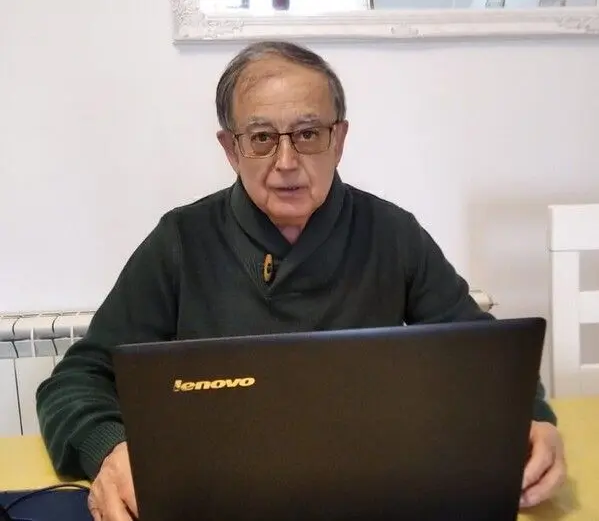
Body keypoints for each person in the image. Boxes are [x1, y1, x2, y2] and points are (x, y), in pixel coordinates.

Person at [36, 41, 566, 521]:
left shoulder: (393, 234)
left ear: (340, 140)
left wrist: (534, 422)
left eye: (308, 134)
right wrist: (110, 449)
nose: (286, 162)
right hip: (220, 497)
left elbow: (484, 363)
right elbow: (77, 381)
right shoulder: (181, 241)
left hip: (371, 492)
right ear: (230, 149)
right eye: (262, 138)